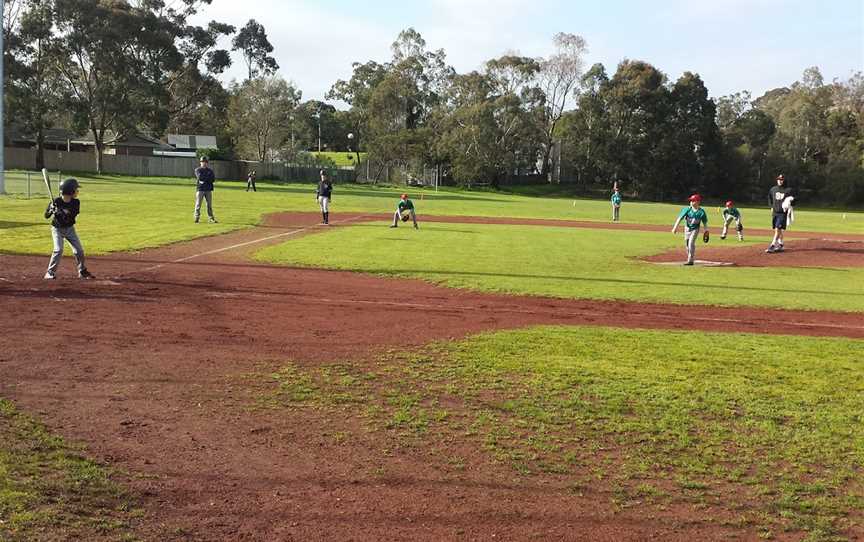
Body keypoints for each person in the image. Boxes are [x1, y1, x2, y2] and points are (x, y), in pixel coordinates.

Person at [43, 178, 94, 280]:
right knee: (58, 250)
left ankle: (82, 271)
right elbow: (46, 216)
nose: (77, 191)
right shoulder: (55, 201)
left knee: (79, 250)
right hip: (57, 229)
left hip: (70, 229)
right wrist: (51, 210)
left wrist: (59, 212)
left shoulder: (75, 203)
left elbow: (69, 217)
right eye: (75, 189)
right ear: (70, 191)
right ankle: (50, 272)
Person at [671, 194, 709, 266]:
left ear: (697, 202)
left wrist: (706, 230)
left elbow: (704, 222)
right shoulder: (687, 209)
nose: (691, 202)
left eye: (693, 200)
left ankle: (690, 260)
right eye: (691, 200)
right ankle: (690, 258)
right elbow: (679, 218)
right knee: (687, 244)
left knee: (691, 243)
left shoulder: (701, 212)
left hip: (695, 229)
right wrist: (675, 228)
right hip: (687, 229)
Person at [766, 174, 794, 253]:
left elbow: (794, 200)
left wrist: (791, 201)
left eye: (781, 179)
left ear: (784, 180)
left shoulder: (788, 190)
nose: (780, 181)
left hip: (783, 213)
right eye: (779, 179)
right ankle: (781, 244)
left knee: (778, 229)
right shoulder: (773, 189)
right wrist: (771, 206)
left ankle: (772, 245)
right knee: (778, 229)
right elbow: (769, 197)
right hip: (775, 212)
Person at [193, 156, 217, 223]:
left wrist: (205, 179)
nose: (204, 163)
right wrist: (207, 178)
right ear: (200, 162)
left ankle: (211, 218)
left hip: (208, 189)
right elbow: (200, 177)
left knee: (209, 205)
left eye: (205, 162)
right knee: (198, 204)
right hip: (200, 189)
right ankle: (197, 217)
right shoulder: (198, 170)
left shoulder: (210, 171)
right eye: (203, 162)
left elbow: (213, 179)